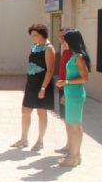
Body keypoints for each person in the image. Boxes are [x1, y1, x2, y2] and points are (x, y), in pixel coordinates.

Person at [11, 24, 55, 151]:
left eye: (35, 34)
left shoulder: (49, 48)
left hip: (42, 83)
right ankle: (23, 139)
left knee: (41, 112)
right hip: (31, 82)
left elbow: (50, 70)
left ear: (42, 34)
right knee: (25, 111)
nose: (33, 37)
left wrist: (43, 88)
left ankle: (40, 141)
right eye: (32, 35)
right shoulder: (35, 47)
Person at [56, 29, 90, 167]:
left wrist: (66, 83)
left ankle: (74, 157)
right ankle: (75, 155)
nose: (63, 42)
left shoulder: (79, 57)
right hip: (71, 94)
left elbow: (84, 78)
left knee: (75, 126)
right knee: (71, 124)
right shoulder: (73, 56)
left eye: (65, 40)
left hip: (75, 95)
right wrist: (65, 92)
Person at [56, 28, 73, 153]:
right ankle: (69, 144)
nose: (60, 38)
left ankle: (72, 145)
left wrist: (67, 90)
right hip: (62, 88)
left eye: (62, 36)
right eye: (60, 35)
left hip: (68, 89)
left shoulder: (73, 53)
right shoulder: (65, 50)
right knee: (66, 118)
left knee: (71, 119)